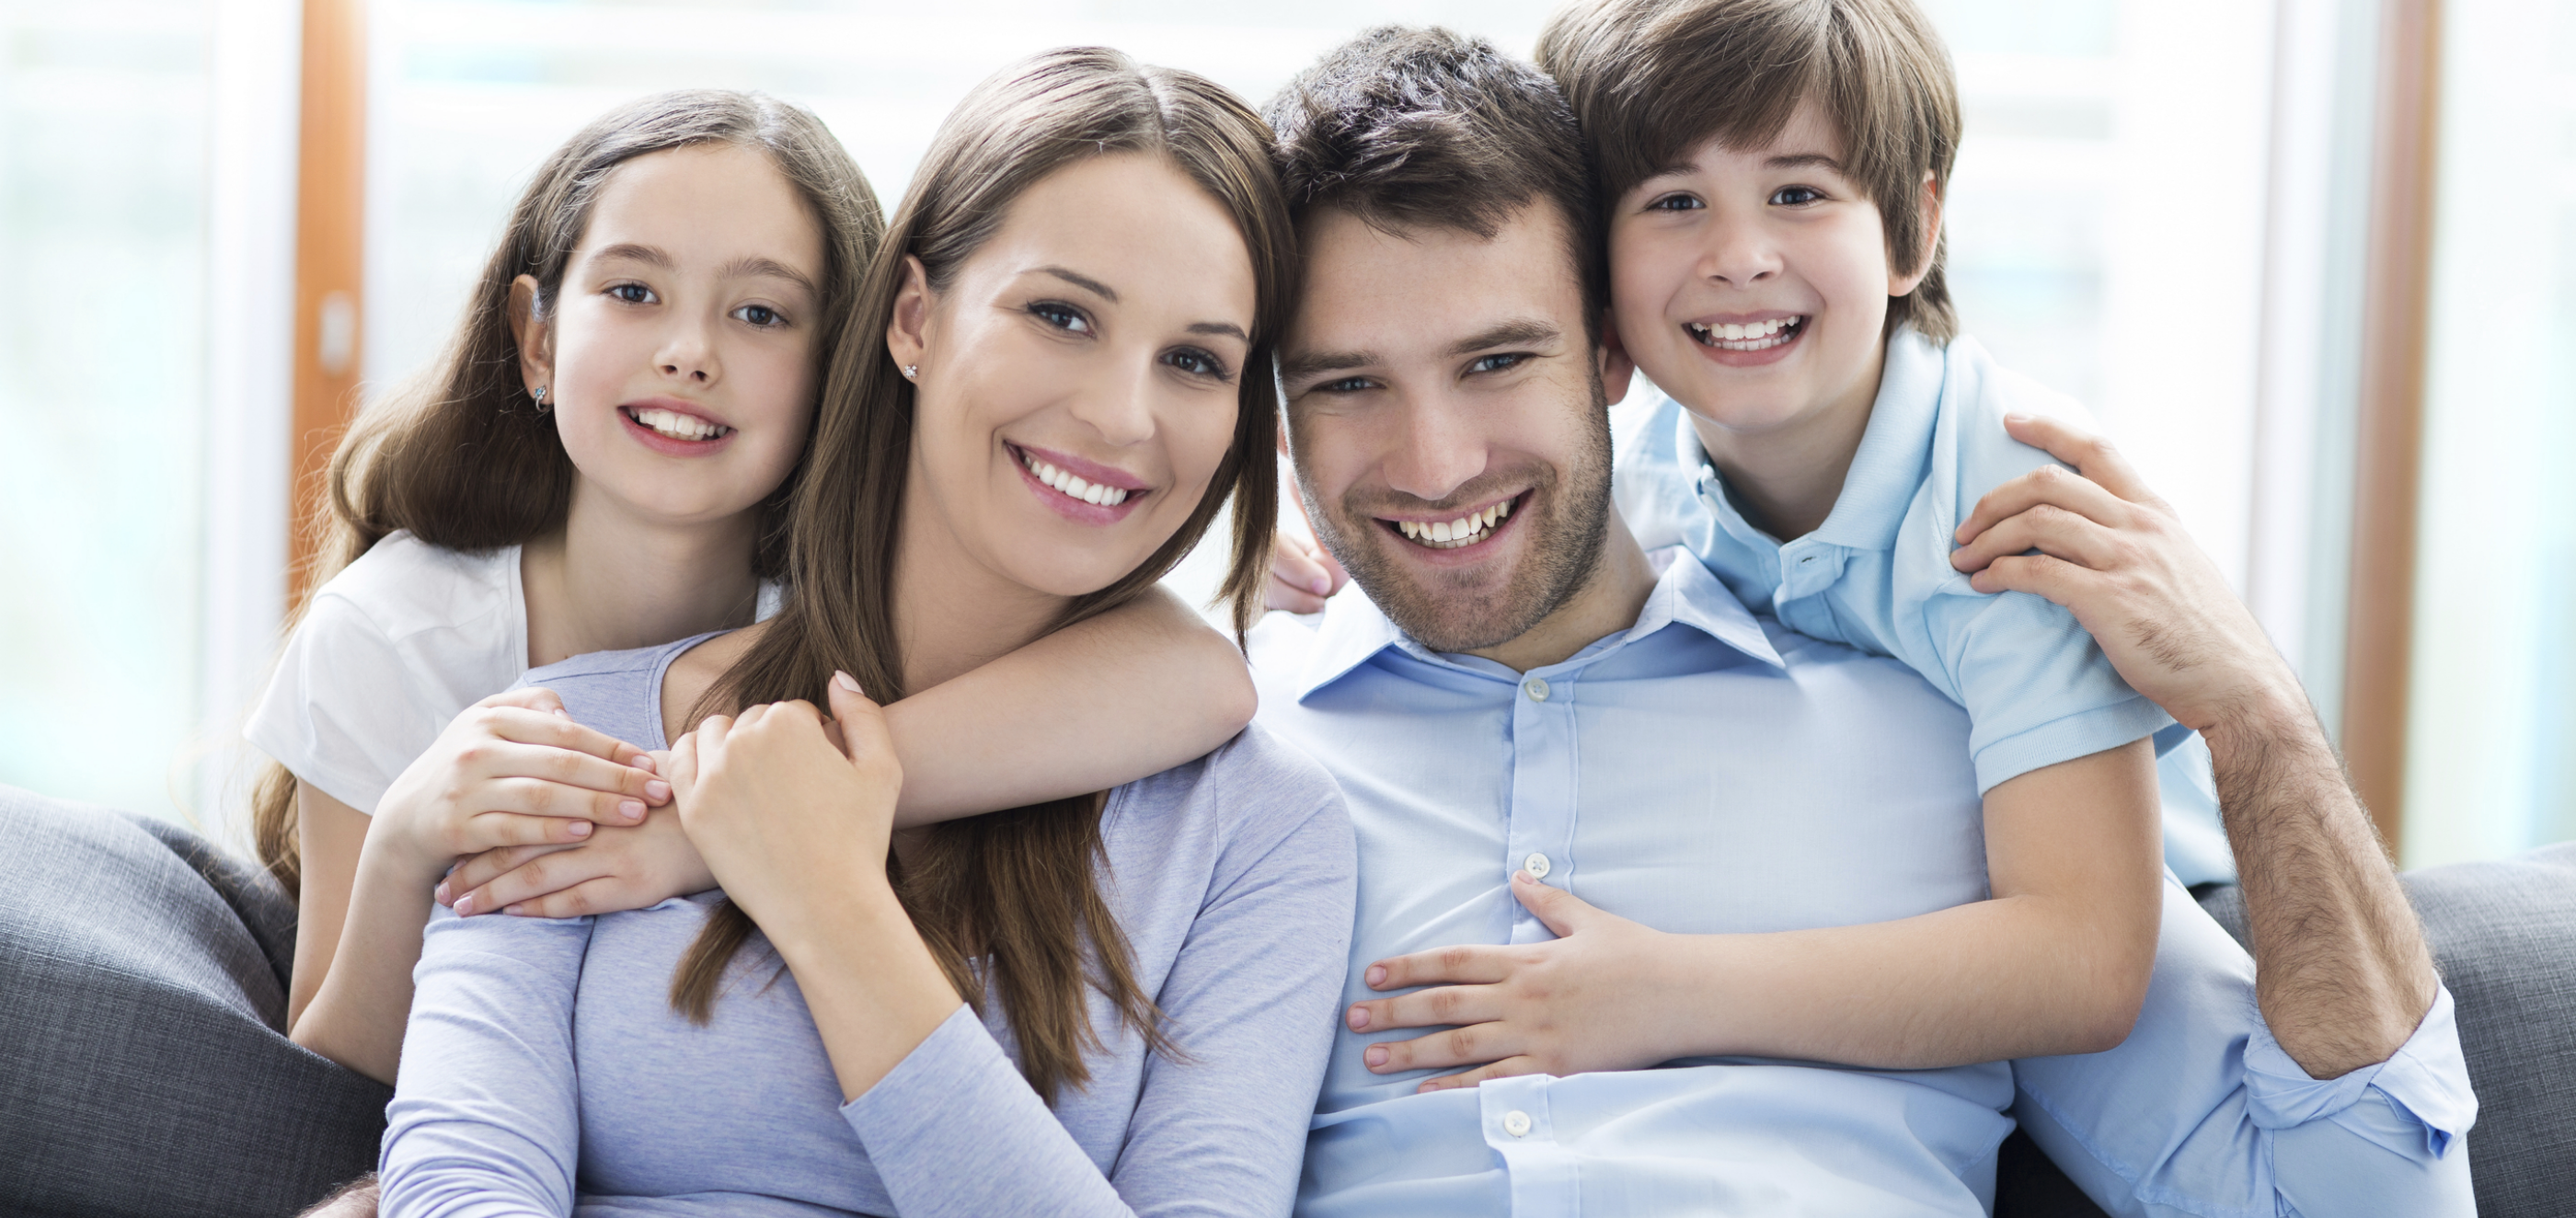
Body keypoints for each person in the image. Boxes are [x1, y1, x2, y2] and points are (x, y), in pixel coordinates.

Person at [1249, 27, 2473, 1215]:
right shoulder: (1229, 745)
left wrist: (2253, 713)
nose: (1438, 462)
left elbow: (2149, 1009)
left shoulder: (2001, 543)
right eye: (1348, 385)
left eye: (1498, 361)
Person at [375, 48, 1353, 1217]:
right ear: (912, 321)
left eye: (1195, 361)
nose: (1119, 415)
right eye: (1061, 315)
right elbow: (457, 1183)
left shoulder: (1260, 830)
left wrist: (829, 901)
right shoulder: (576, 732)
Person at [244, 89, 1264, 1086]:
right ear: (538, 336)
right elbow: (324, 1084)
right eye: (634, 292)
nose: (690, 354)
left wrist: (721, 818)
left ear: (839, 363)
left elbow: (1194, 677)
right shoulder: (397, 634)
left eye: (761, 313)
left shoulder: (840, 599)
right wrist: (405, 847)